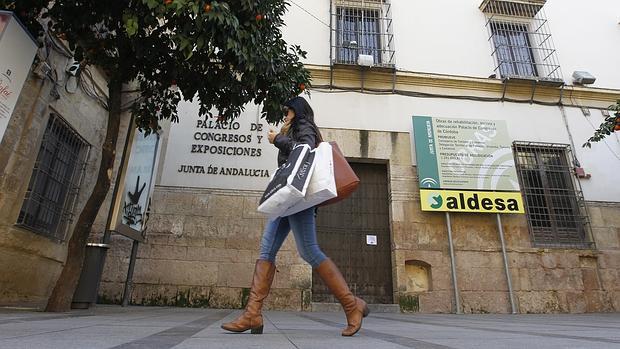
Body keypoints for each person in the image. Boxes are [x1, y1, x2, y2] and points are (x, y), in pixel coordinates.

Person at [221, 96, 369, 336]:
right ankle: (252, 314)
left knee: (309, 251)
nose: (285, 114)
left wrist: (277, 139)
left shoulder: (304, 126)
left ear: (297, 111)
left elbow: (306, 150)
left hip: (299, 200)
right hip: (286, 198)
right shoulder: (293, 128)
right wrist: (281, 137)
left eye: (288, 110)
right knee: (266, 250)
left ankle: (353, 305)